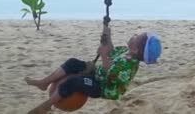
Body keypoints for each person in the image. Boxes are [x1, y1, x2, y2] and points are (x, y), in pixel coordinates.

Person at [25, 26, 162, 114]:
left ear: (135, 49)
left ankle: (47, 105)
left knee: (74, 82)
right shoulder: (125, 51)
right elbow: (111, 52)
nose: (134, 35)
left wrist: (102, 55)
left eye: (136, 37)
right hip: (98, 73)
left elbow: (111, 75)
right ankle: (44, 83)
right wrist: (107, 38)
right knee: (73, 63)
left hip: (101, 87)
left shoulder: (129, 66)